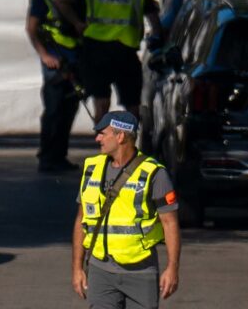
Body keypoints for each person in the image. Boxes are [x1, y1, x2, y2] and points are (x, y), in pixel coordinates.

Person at [72, 111, 180, 309]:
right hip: (100, 270)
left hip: (140, 272)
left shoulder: (154, 173)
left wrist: (172, 268)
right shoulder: (91, 169)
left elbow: (170, 223)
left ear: (121, 136)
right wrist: (77, 268)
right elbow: (81, 220)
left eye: (103, 133)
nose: (98, 138)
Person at [54, 0, 163, 124]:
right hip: (126, 52)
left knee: (101, 102)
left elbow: (60, 0)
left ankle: (103, 144)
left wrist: (76, 23)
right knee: (132, 104)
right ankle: (128, 144)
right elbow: (154, 21)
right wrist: (158, 39)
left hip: (96, 51)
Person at [25, 0, 83, 173]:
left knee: (69, 110)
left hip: (75, 60)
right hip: (54, 60)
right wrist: (44, 55)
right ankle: (47, 156)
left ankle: (59, 156)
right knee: (54, 110)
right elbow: (31, 28)